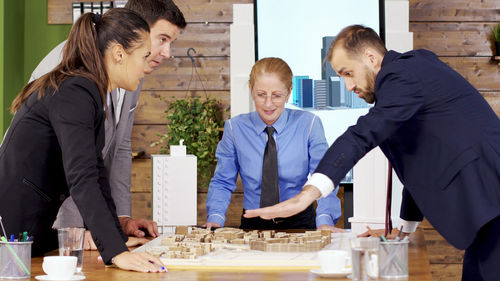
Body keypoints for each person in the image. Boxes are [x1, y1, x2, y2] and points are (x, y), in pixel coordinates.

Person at [244, 25, 500, 281]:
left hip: (491, 199)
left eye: (348, 73)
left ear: (370, 58)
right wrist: (403, 229)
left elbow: (361, 134)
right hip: (486, 211)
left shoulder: (401, 75)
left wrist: (306, 196)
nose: (347, 85)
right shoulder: (409, 78)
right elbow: (420, 160)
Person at [0, 9, 166, 272]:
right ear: (119, 54)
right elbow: (83, 177)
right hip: (10, 226)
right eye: (144, 56)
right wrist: (116, 253)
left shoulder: (86, 89)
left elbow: (97, 175)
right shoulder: (76, 90)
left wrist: (117, 240)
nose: (147, 65)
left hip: (32, 222)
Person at [30, 0, 187, 249]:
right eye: (163, 39)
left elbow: (119, 146)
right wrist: (75, 231)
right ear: (137, 30)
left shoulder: (134, 70)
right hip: (47, 213)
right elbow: (68, 160)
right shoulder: (71, 65)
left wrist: (119, 220)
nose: (167, 53)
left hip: (89, 210)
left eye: (172, 43)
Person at [205, 57, 343, 231]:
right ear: (251, 89)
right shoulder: (234, 129)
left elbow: (324, 177)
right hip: (253, 222)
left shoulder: (309, 125)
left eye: (276, 95)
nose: (268, 104)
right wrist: (215, 219)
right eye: (261, 95)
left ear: (289, 92)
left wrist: (324, 221)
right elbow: (222, 181)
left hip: (300, 222)